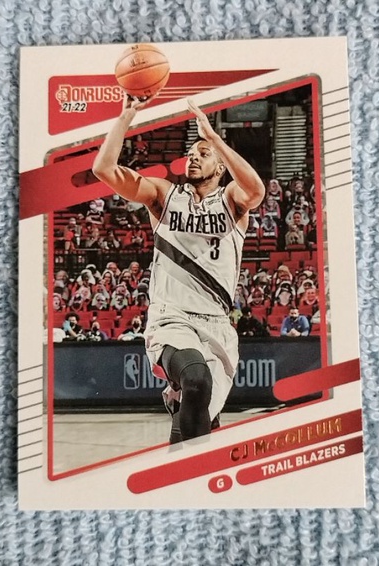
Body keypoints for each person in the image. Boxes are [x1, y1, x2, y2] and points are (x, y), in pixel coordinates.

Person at [93, 95, 265, 444]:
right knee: (196, 379)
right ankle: (185, 426)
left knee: (201, 419)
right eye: (190, 153)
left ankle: (182, 431)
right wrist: (125, 117)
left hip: (217, 326)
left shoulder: (232, 200)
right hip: (171, 318)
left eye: (203, 154)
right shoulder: (164, 196)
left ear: (220, 167)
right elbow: (104, 170)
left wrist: (213, 138)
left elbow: (256, 189)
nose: (193, 157)